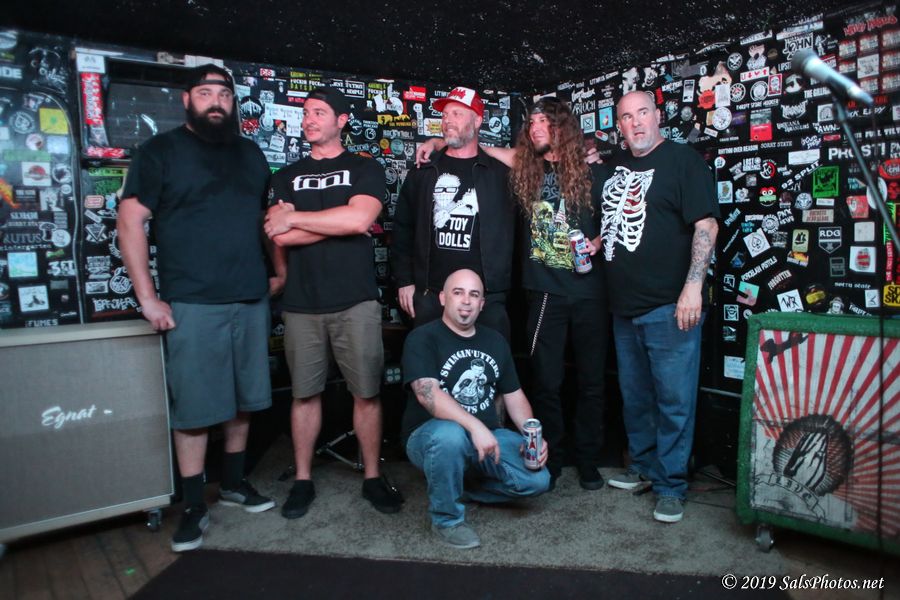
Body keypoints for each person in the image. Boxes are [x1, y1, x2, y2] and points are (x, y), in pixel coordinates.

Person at [117, 65, 277, 553]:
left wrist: (278, 272)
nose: (216, 101)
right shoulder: (160, 151)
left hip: (249, 296)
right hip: (191, 299)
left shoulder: (251, 154)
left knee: (243, 400)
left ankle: (233, 483)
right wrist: (148, 298)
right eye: (205, 93)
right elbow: (130, 220)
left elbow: (266, 220)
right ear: (187, 100)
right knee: (194, 407)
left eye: (223, 94)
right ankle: (192, 504)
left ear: (233, 101)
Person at [416, 99, 610, 493]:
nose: (536, 127)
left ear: (562, 127)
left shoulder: (596, 171)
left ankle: (589, 460)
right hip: (545, 292)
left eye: (544, 121)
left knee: (592, 381)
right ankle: (554, 458)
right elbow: (481, 148)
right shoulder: (526, 166)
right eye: (532, 122)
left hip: (590, 292)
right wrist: (438, 141)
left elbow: (616, 221)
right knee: (547, 382)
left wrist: (598, 242)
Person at [264, 85, 404, 519]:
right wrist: (333, 223)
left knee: (367, 393)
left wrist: (297, 218)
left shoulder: (364, 167)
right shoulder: (286, 175)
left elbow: (360, 219)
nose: (309, 119)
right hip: (302, 303)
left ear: (341, 120)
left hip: (354, 300)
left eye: (319, 112)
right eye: (306, 112)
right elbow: (278, 235)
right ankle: (303, 480)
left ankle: (372, 477)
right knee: (304, 395)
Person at [600, 91, 719, 524]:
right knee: (636, 397)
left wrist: (693, 287)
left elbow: (706, 224)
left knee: (673, 401)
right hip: (623, 307)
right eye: (626, 117)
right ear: (619, 125)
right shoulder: (616, 164)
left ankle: (671, 485)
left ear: (658, 116)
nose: (635, 123)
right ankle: (645, 468)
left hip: (670, 307)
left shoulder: (683, 161)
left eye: (643, 113)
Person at [402, 268, 550, 549]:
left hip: (486, 438)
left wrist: (532, 435)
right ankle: (447, 519)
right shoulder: (423, 338)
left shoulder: (495, 341)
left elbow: (514, 395)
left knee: (538, 480)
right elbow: (427, 394)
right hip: (430, 437)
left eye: (474, 295)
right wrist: (475, 426)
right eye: (458, 293)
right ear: (443, 298)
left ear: (482, 303)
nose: (466, 301)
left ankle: (462, 489)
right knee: (450, 436)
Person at [391, 87, 515, 340]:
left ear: (477, 120)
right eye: (445, 115)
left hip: (486, 297)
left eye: (457, 114)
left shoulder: (499, 174)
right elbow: (403, 228)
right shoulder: (424, 171)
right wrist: (405, 280)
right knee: (429, 360)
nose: (447, 120)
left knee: (490, 361)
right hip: (431, 293)